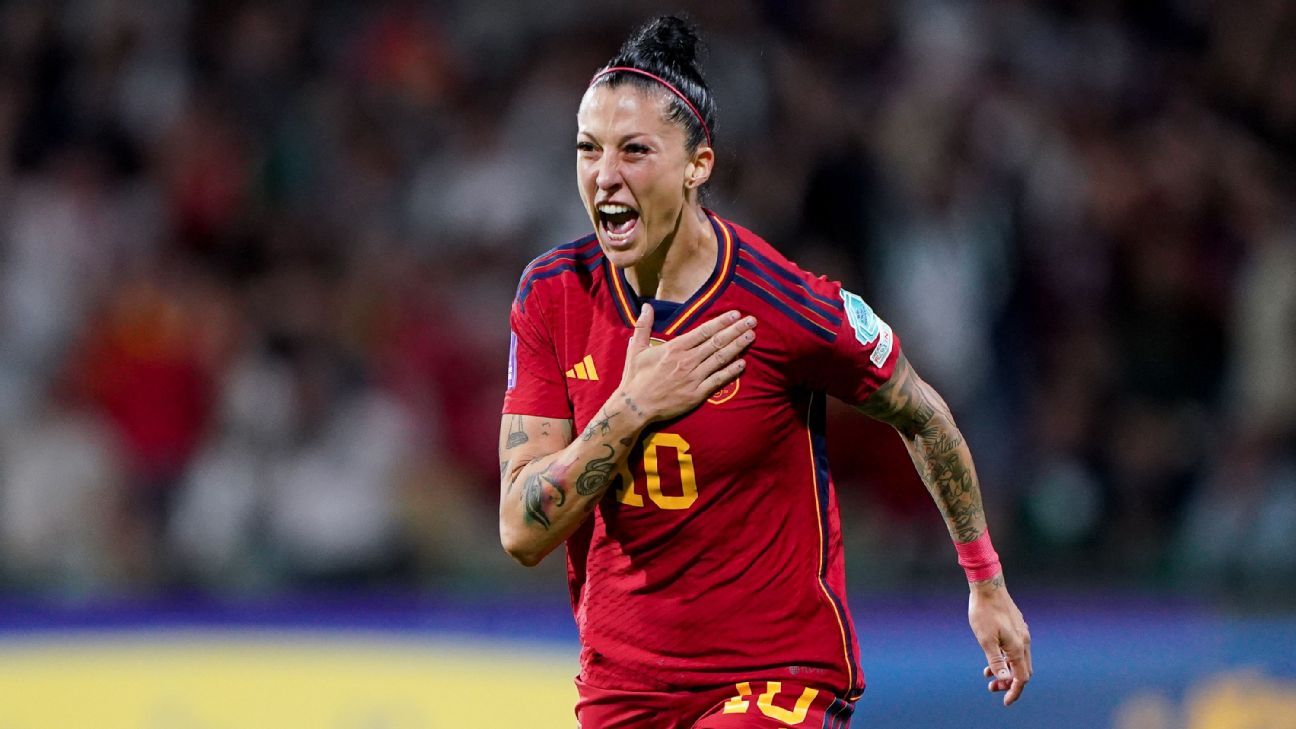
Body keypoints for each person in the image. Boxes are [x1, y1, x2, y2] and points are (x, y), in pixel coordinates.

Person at [499, 16, 1031, 728]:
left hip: (774, 680)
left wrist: (985, 580)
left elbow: (922, 413)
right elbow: (521, 530)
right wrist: (630, 408)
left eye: (634, 151)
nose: (604, 176)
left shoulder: (782, 306)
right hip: (624, 687)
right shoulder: (554, 294)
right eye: (588, 150)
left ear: (698, 165)